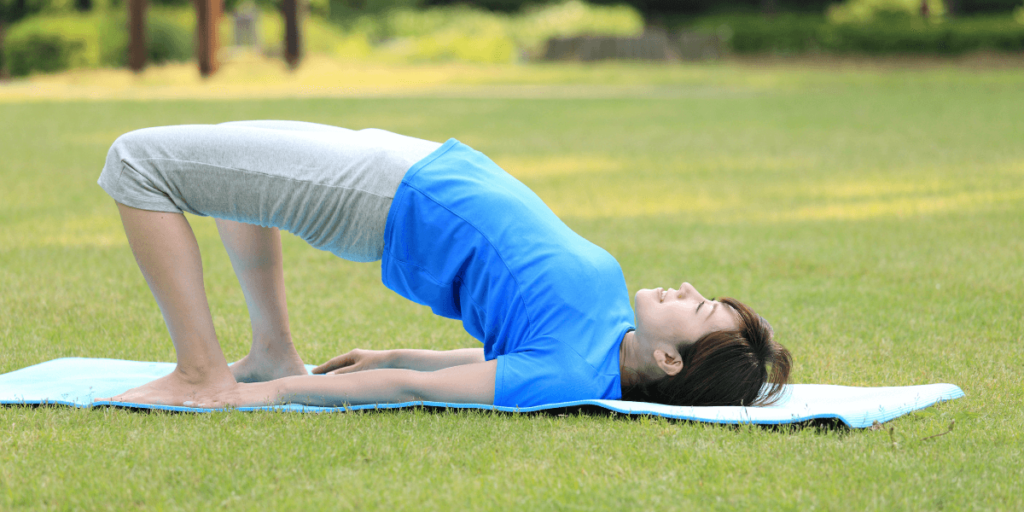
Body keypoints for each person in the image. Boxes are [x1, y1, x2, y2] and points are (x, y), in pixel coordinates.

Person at [95, 120, 791, 409]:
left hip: (385, 196)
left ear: (670, 363)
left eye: (697, 309)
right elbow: (475, 356)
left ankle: (203, 375)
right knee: (228, 172)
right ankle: (272, 351)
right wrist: (396, 349)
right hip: (411, 168)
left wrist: (277, 397)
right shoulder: (606, 338)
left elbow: (416, 390)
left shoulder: (566, 375)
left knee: (136, 161)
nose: (689, 289)